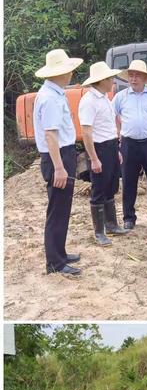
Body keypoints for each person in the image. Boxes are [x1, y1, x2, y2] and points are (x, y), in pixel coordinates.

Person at [33, 49, 84, 275]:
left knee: (62, 208)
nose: (71, 73)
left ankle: (59, 254)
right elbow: (51, 135)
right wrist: (59, 167)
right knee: (57, 209)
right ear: (58, 73)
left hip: (62, 153)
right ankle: (55, 262)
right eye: (67, 70)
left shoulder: (55, 93)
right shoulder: (50, 98)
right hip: (58, 156)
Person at [112, 60, 147, 230]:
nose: (134, 78)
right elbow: (110, 115)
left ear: (145, 78)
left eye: (137, 75)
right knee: (129, 181)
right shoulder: (120, 97)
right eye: (131, 75)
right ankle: (129, 218)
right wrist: (117, 135)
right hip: (128, 144)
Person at [79, 61, 128, 246]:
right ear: (101, 81)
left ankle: (111, 224)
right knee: (99, 189)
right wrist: (93, 158)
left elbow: (109, 127)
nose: (113, 82)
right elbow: (86, 132)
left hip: (110, 146)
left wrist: (116, 150)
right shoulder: (89, 101)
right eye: (110, 79)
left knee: (111, 186)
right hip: (98, 149)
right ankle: (99, 232)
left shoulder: (105, 98)